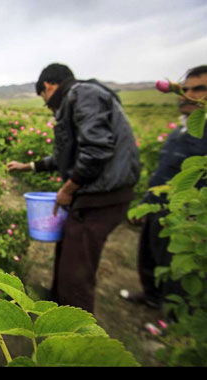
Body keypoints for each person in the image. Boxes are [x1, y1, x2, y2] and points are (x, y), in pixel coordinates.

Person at [7, 63, 141, 314]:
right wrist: (28, 166)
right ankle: (57, 306)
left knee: (77, 271)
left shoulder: (82, 94)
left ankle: (75, 336)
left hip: (103, 195)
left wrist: (68, 189)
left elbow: (96, 150)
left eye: (45, 100)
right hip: (95, 193)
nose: (49, 107)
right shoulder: (78, 98)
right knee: (68, 246)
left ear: (48, 86)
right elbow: (66, 157)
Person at [120, 65, 207, 311]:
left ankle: (174, 324)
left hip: (187, 217)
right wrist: (147, 202)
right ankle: (153, 298)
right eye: (183, 88)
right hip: (159, 207)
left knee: (179, 270)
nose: (187, 94)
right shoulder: (184, 127)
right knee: (150, 256)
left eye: (199, 89)